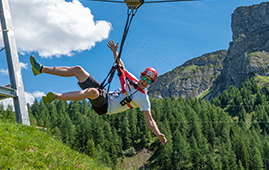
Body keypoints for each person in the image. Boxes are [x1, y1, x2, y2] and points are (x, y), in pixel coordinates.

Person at [30, 40, 167, 145]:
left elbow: (149, 119)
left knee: (92, 92)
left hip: (106, 107)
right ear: (141, 75)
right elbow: (121, 65)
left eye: (148, 81)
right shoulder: (132, 79)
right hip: (105, 95)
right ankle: (40, 69)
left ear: (150, 84)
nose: (144, 81)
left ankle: (56, 97)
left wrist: (158, 133)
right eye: (144, 77)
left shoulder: (143, 98)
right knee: (78, 70)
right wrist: (115, 51)